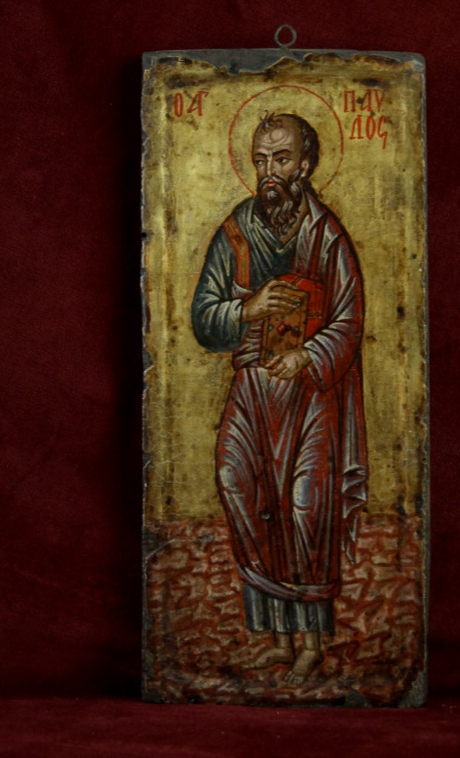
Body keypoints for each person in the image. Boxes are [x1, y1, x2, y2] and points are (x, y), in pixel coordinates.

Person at [191, 112, 368, 684]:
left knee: (304, 506)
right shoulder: (236, 232)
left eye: (282, 158)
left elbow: (350, 319)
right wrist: (248, 308)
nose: (270, 171)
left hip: (309, 394)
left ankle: (311, 643)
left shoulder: (327, 235)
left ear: (306, 165)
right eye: (261, 160)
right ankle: (275, 636)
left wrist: (306, 355)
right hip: (251, 389)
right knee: (239, 486)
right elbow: (203, 318)